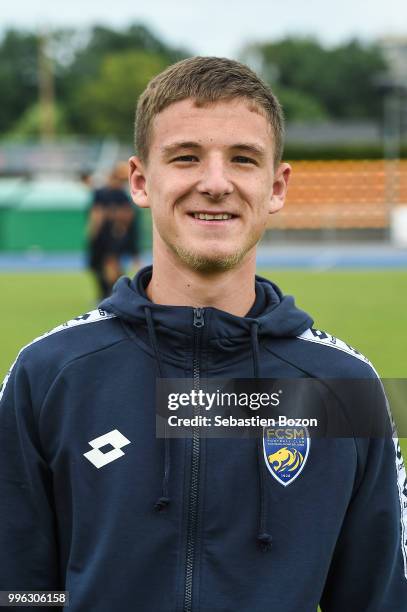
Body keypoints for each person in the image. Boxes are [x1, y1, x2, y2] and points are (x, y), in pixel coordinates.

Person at [0, 56, 406, 612]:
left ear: (277, 185)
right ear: (142, 181)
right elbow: (18, 588)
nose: (214, 184)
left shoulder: (341, 387)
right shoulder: (49, 375)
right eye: (186, 157)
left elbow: (375, 596)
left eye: (242, 159)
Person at [87, 162, 139, 299]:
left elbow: (127, 215)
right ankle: (110, 292)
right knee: (100, 266)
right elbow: (96, 215)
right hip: (103, 236)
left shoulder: (121, 195)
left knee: (112, 263)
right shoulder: (102, 193)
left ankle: (115, 292)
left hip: (113, 235)